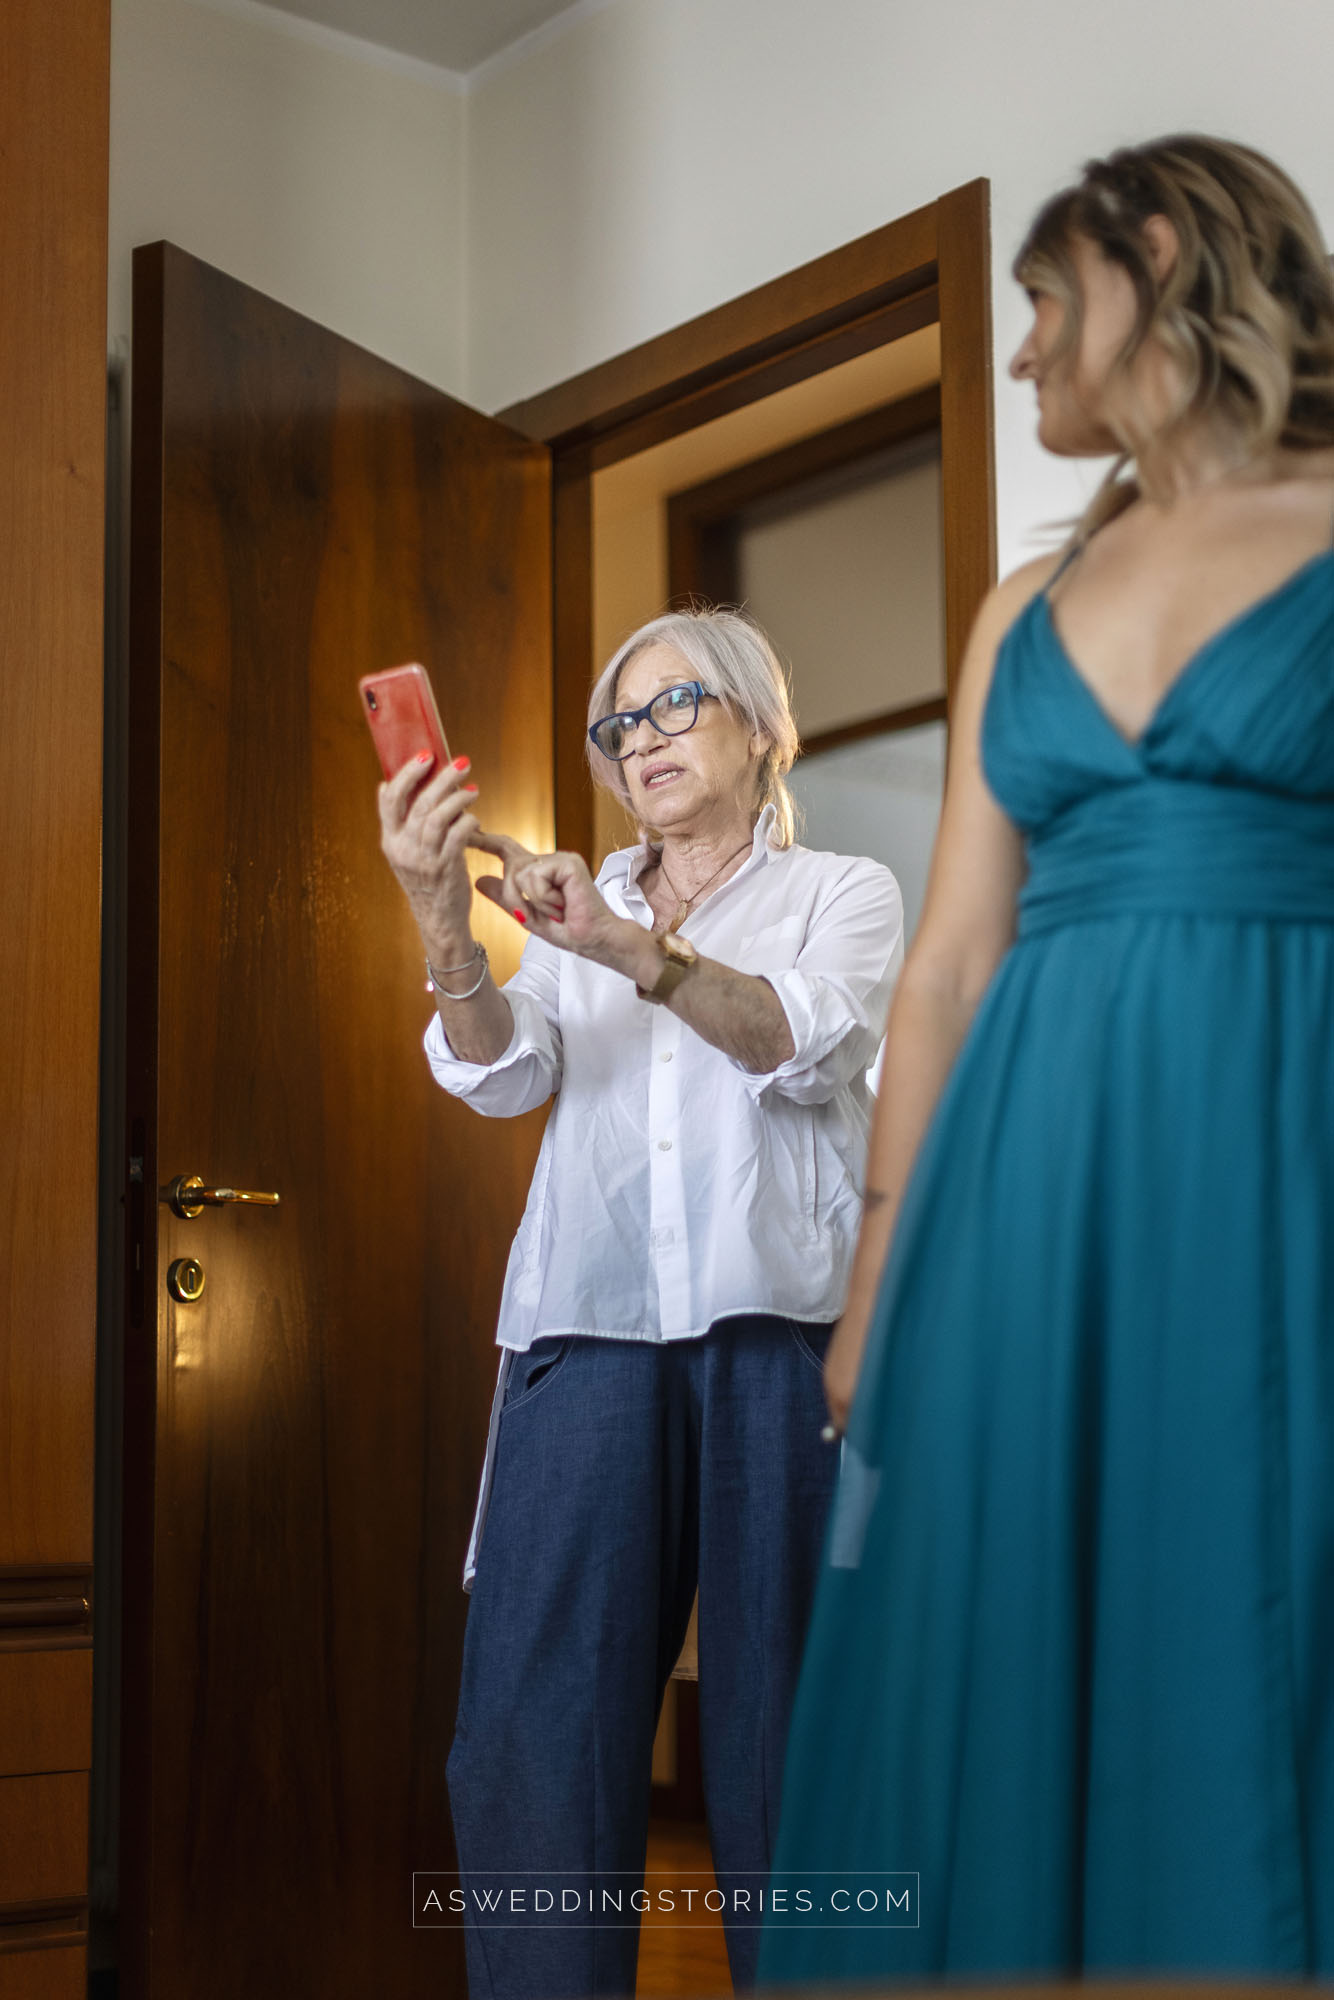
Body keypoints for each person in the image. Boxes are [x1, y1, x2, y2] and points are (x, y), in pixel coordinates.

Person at [757, 134, 1334, 1987]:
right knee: (1015, 1619)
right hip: (1027, 1178)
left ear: (1153, 259)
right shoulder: (1018, 611)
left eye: (1036, 303)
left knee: (1256, 1592)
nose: (1016, 360)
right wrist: (874, 1270)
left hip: (1282, 1132)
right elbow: (939, 971)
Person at [377, 607, 903, 1997]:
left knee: (793, 1731)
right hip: (580, 1340)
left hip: (780, 1348)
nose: (642, 741)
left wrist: (623, 946)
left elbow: (792, 1046)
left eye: (676, 708)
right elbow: (500, 1071)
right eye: (621, 725)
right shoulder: (563, 913)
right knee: (532, 1733)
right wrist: (447, 921)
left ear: (756, 726)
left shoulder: (840, 894)